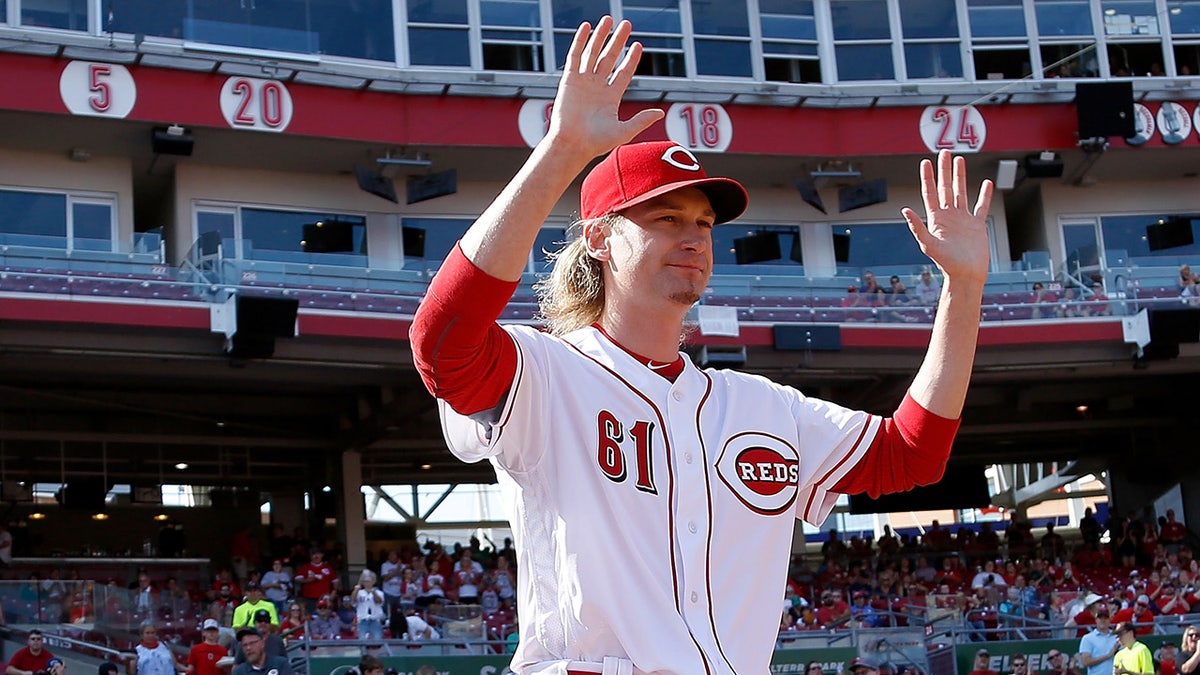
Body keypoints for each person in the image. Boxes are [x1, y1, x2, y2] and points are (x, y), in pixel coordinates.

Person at [411, 14, 993, 675]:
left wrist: (965, 288)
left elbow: (912, 452)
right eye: (665, 218)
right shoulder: (547, 372)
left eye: (703, 222)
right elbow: (443, 347)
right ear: (600, 238)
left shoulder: (766, 409)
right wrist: (563, 153)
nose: (693, 236)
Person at [293, 549, 337, 614]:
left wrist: (334, 591)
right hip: (309, 599)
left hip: (324, 598)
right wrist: (307, 580)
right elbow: (297, 579)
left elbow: (335, 580)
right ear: (310, 556)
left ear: (322, 555)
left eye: (318, 554)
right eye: (313, 554)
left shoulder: (328, 567)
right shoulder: (305, 567)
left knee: (325, 616)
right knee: (310, 616)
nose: (316, 556)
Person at [1078, 609, 1119, 675]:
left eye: (1106, 618)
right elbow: (1085, 662)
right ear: (1096, 620)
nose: (1103, 620)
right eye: (1100, 618)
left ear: (1110, 619)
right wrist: (1108, 656)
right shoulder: (1087, 638)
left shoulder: (1116, 637)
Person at [351, 569, 386, 641]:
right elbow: (353, 600)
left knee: (377, 640)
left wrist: (373, 592)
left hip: (375, 619)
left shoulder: (379, 592)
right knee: (362, 641)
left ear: (373, 581)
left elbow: (379, 601)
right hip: (362, 620)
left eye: (369, 581)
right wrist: (356, 590)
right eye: (365, 581)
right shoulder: (360, 592)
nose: (367, 583)